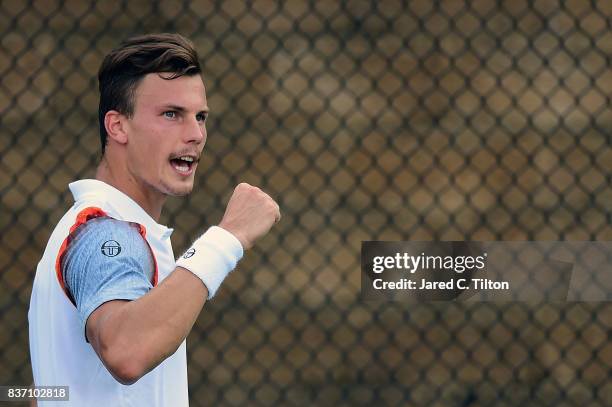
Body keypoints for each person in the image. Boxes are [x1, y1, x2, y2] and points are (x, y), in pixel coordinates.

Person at [28, 33, 280, 406]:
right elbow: (127, 352)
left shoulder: (99, 227)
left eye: (200, 117)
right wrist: (229, 237)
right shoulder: (105, 231)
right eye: (171, 114)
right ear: (117, 127)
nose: (195, 134)